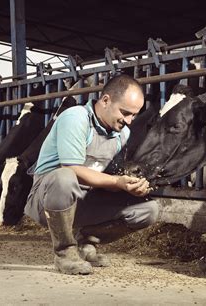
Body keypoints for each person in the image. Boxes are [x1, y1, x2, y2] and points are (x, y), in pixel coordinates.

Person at [24, 74, 159, 275]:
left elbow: (106, 174)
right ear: (105, 100)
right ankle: (64, 253)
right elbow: (73, 169)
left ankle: (87, 242)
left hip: (84, 198)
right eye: (125, 112)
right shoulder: (75, 117)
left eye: (134, 115)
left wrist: (132, 185)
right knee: (65, 177)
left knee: (148, 210)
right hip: (47, 199)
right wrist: (117, 182)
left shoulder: (122, 133)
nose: (130, 121)